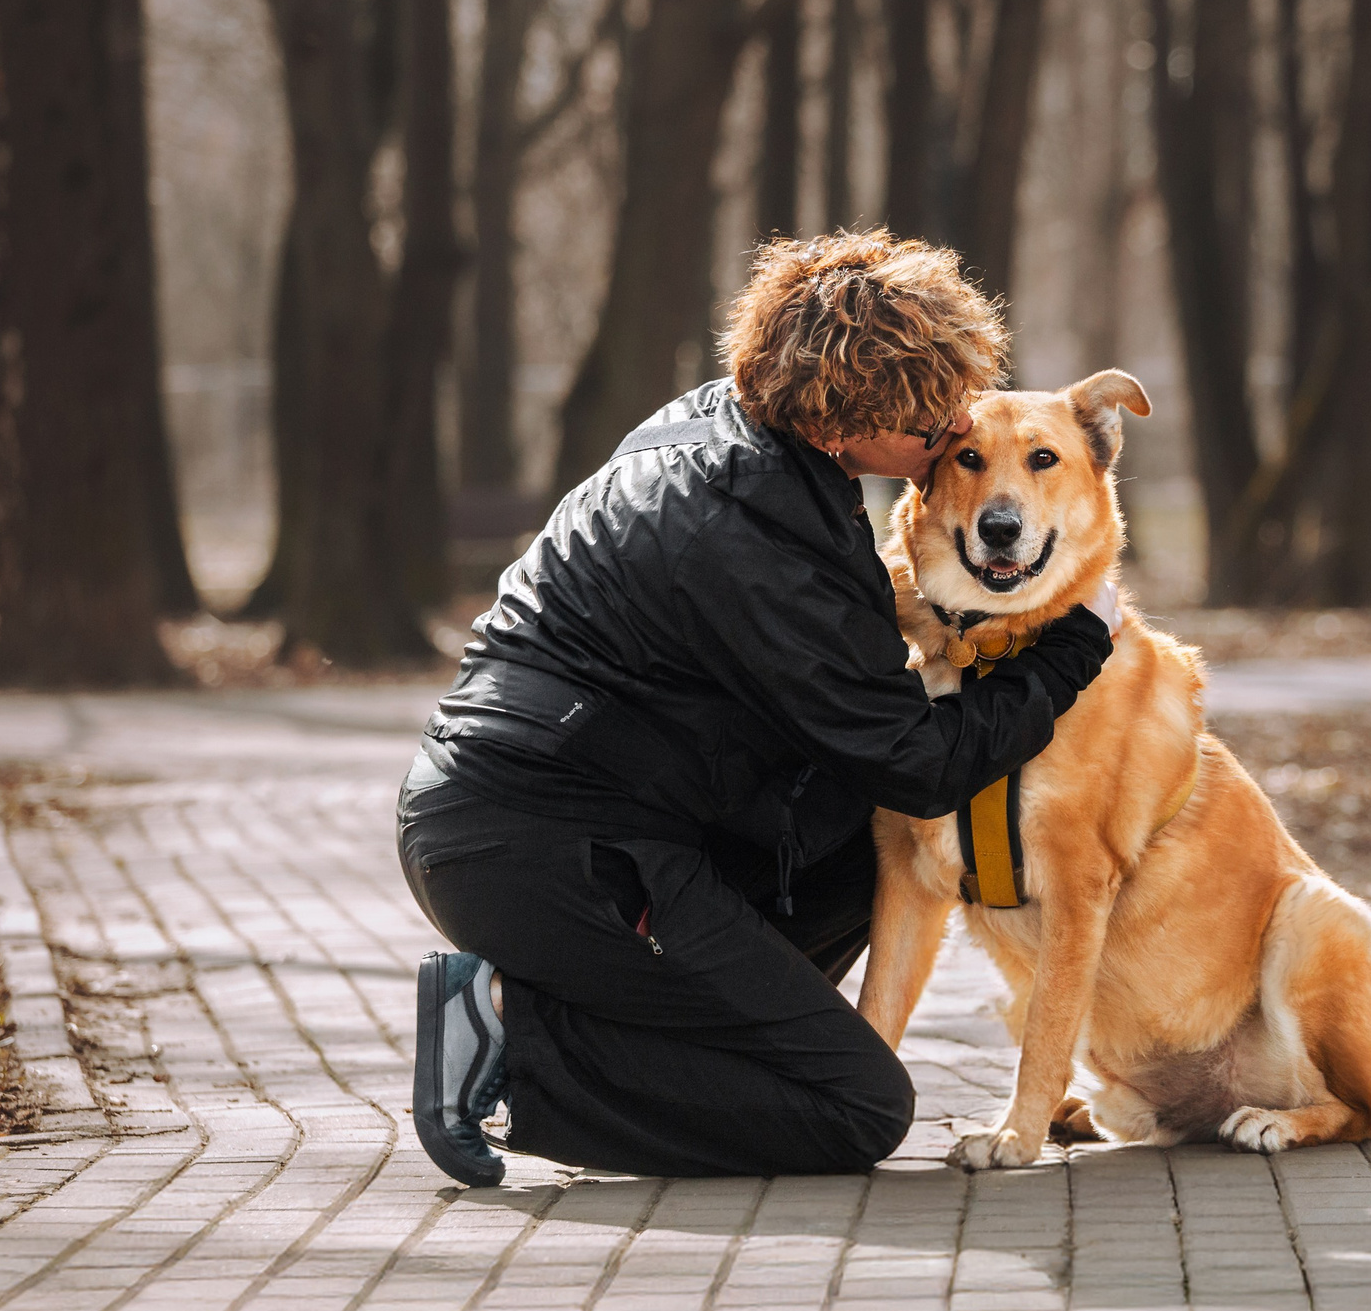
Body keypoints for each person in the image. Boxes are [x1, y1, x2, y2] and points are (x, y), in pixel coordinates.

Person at [399, 231, 1118, 1184]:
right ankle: (507, 1039)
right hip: (545, 844)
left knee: (856, 848)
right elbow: (918, 763)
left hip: (581, 815)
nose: (949, 430)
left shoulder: (723, 442)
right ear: (854, 409)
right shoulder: (746, 534)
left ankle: (671, 1043)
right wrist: (1076, 643)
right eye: (931, 410)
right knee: (856, 1106)